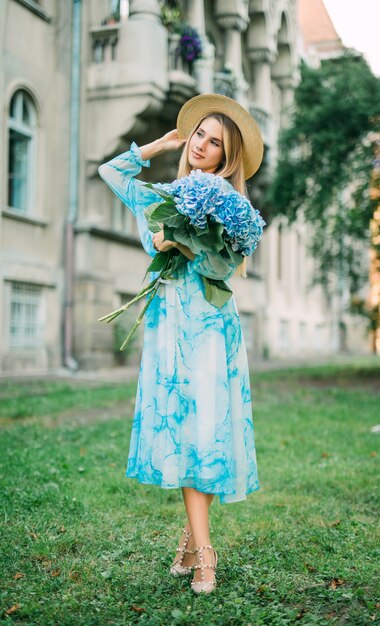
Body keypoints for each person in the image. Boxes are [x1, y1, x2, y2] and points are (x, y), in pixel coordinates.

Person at [98, 93, 264, 594]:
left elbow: (227, 265)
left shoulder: (231, 206)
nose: (202, 146)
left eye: (215, 143)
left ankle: (203, 552)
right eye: (199, 135)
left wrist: (194, 240)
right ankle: (193, 546)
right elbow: (111, 172)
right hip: (169, 320)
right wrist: (158, 144)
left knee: (207, 427)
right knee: (186, 425)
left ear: (224, 157)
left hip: (212, 322)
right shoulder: (163, 196)